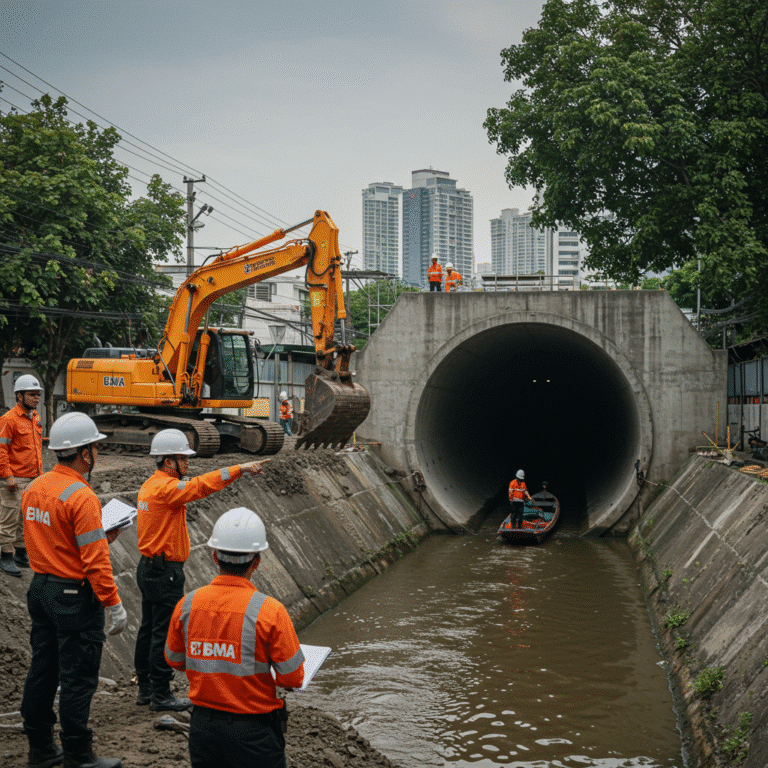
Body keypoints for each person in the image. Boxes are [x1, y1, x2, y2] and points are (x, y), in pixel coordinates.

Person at [20, 412, 126, 768]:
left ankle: (41, 749)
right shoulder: (81, 496)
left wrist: (99, 535)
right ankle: (79, 755)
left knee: (43, 671)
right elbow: (95, 563)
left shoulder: (35, 487)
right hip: (73, 598)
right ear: (83, 453)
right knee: (78, 678)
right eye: (95, 447)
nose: (97, 453)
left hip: (41, 589)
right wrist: (114, 603)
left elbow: (50, 540)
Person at [134, 429, 266, 713]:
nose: (188, 463)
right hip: (164, 571)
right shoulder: (165, 489)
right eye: (183, 458)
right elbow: (201, 486)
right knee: (160, 632)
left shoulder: (148, 486)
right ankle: (161, 694)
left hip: (148, 568)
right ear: (169, 461)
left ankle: (146, 688)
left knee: (148, 629)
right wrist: (239, 469)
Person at [165, 507, 305, 768]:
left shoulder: (188, 604)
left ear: (215, 556)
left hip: (204, 729)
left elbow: (174, 659)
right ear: (257, 561)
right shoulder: (270, 611)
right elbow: (293, 678)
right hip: (254, 733)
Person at [0, 374, 44, 577]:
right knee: (9, 517)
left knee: (24, 517)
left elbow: (36, 448)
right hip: (15, 478)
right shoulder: (9, 420)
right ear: (19, 396)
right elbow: (1, 450)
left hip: (33, 478)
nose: (36, 398)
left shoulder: (35, 417)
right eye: (31, 394)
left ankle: (20, 552)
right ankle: (5, 556)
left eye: (38, 395)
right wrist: (7, 475)